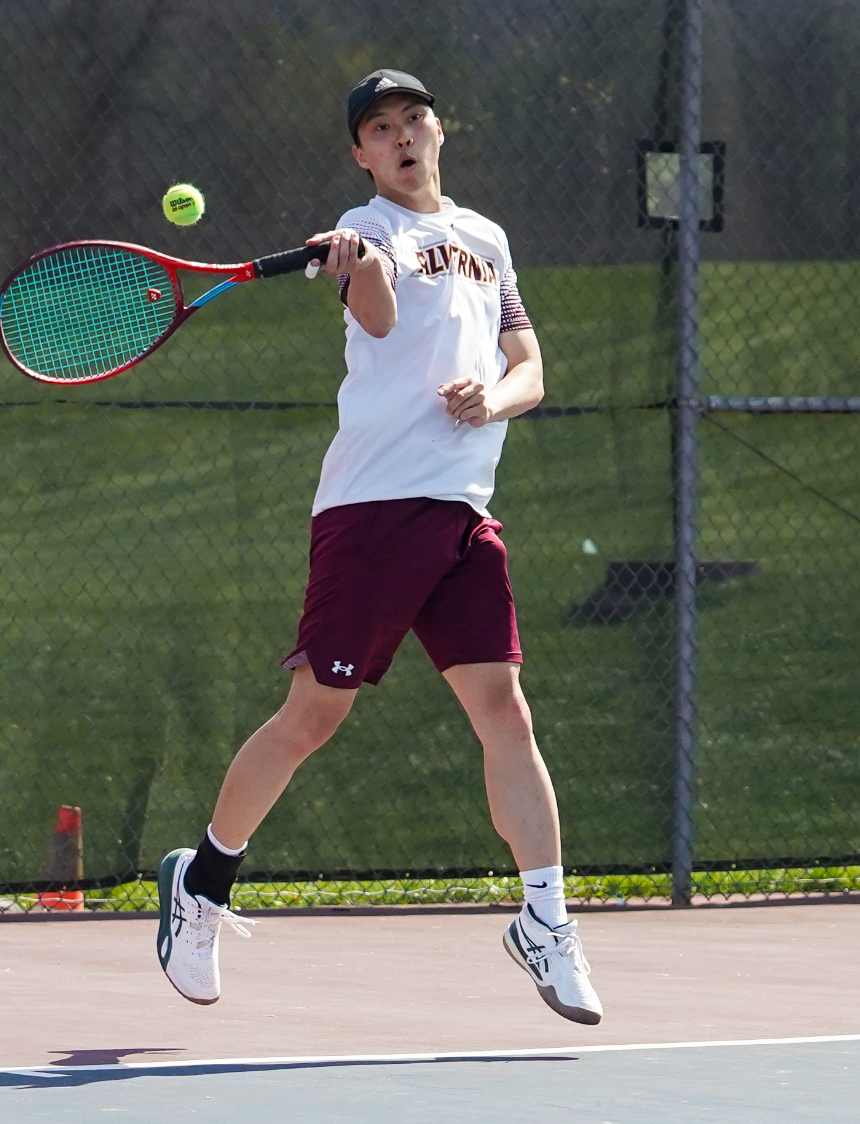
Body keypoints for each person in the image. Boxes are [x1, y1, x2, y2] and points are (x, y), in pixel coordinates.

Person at [154, 69, 601, 1026]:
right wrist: (356, 264)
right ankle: (203, 883)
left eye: (413, 120)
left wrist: (492, 399)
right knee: (313, 717)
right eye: (381, 128)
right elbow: (383, 318)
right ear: (361, 154)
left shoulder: (487, 239)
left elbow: (529, 368)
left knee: (506, 714)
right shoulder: (371, 231)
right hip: (373, 511)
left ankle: (546, 921)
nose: (402, 136)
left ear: (439, 131)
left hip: (464, 513)